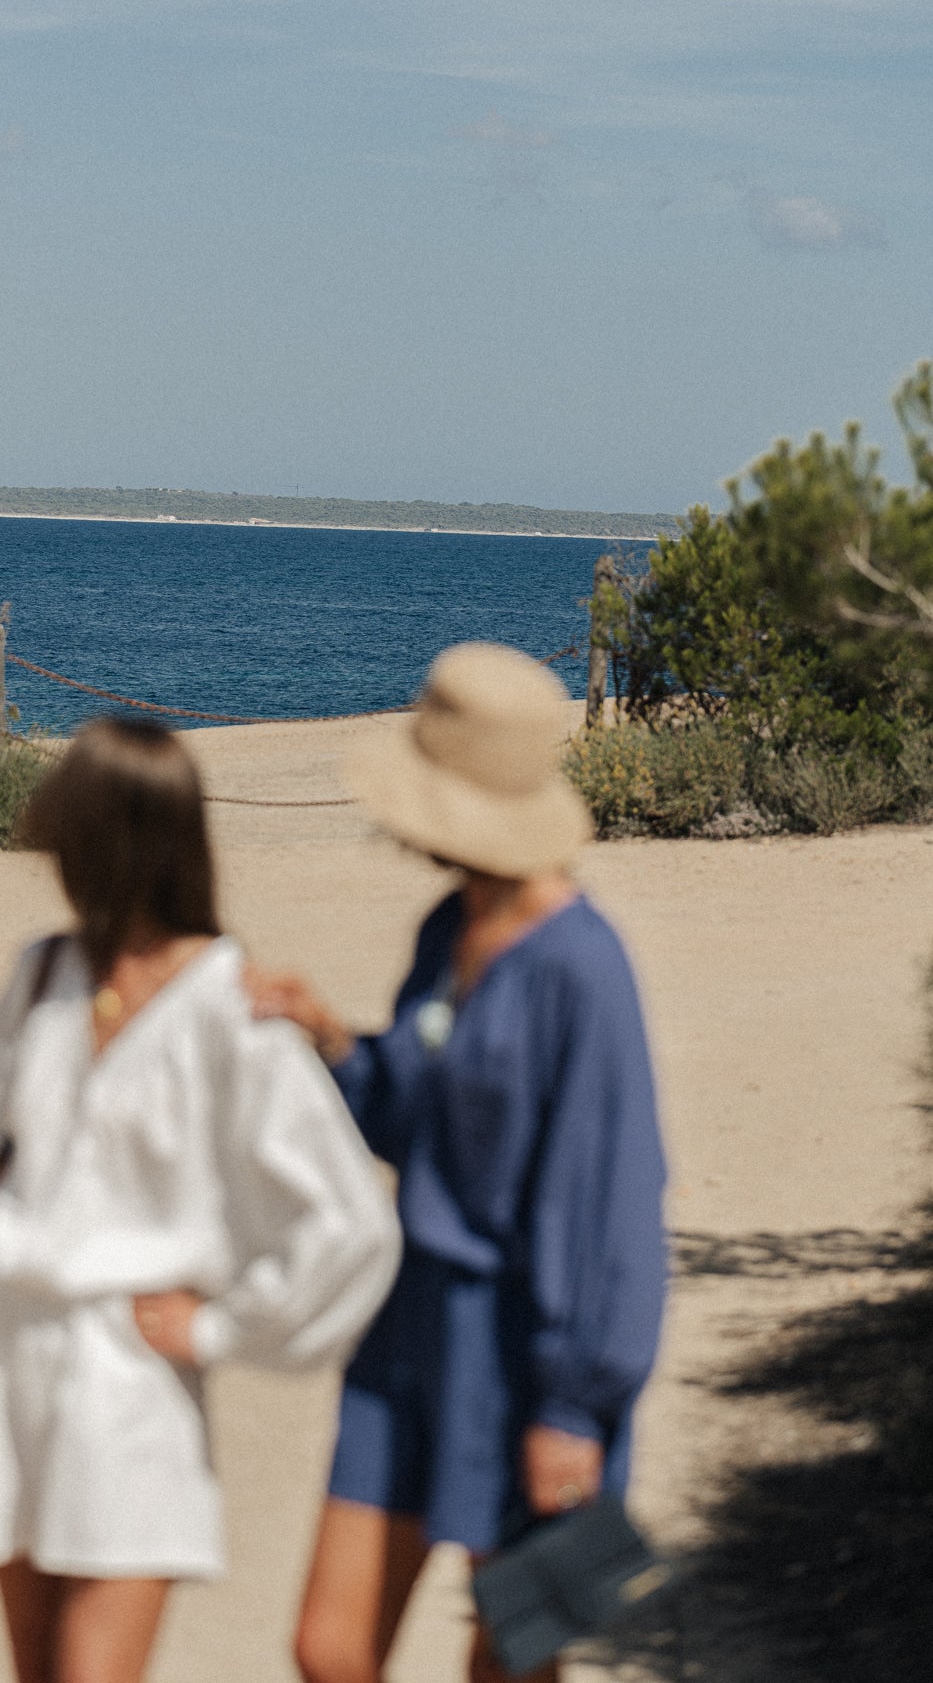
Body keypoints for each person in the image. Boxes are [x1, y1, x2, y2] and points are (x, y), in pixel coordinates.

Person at [0, 716, 401, 1683]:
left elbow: (348, 1219)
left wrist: (218, 1328)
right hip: (2, 1350)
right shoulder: (42, 975)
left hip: (126, 1382)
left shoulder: (228, 1007)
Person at [247, 644, 667, 1683]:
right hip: (410, 1324)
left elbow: (614, 1203)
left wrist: (573, 1404)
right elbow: (409, 1112)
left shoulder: (583, 968)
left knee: (510, 1663)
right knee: (328, 1647)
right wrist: (328, 1038)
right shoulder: (450, 926)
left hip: (526, 1348)